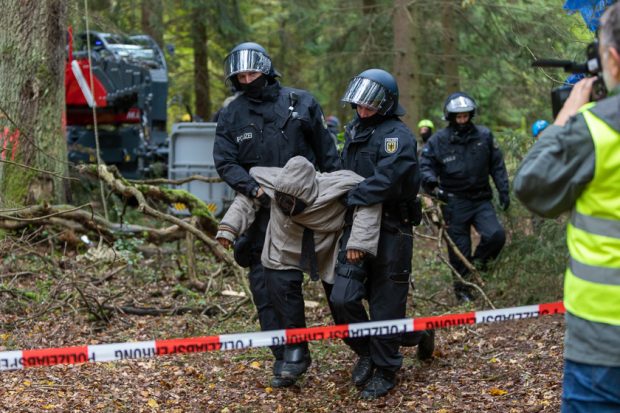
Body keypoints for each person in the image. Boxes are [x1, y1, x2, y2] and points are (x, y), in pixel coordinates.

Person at [213, 42, 340, 387]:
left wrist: (339, 199)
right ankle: (284, 356)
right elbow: (225, 161)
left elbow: (328, 156)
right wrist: (253, 188)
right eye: (240, 75)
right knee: (264, 289)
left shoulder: (301, 103)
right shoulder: (231, 113)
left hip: (304, 211)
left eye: (251, 72)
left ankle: (376, 344)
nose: (246, 78)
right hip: (259, 213)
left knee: (298, 284)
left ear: (266, 70)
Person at [514, 5, 620, 411]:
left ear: (611, 58)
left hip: (602, 343)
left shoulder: (594, 128)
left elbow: (532, 187)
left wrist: (565, 115)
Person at [216, 156, 382, 386]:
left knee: (343, 304)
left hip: (326, 248)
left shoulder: (341, 185)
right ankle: (295, 351)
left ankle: (372, 350)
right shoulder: (269, 180)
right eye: (283, 200)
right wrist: (228, 227)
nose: (287, 206)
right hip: (283, 247)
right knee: (280, 291)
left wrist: (358, 243)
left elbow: (369, 201)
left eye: (293, 202)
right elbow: (246, 199)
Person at [332, 68, 434, 400]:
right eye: (359, 104)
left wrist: (351, 195)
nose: (363, 110)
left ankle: (387, 367)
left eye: (370, 105)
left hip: (392, 227)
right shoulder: (354, 131)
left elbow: (387, 180)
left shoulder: (397, 136)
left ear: (386, 104)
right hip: (356, 225)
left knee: (386, 305)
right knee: (342, 296)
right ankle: (368, 352)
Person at [420, 92, 509, 303]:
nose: (462, 120)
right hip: (453, 202)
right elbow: (425, 165)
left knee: (496, 235)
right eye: (457, 117)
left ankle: (477, 268)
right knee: (460, 250)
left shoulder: (484, 136)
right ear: (450, 117)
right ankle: (463, 291)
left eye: (465, 116)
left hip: (481, 199)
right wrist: (431, 181)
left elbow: (497, 166)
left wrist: (503, 191)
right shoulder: (438, 141)